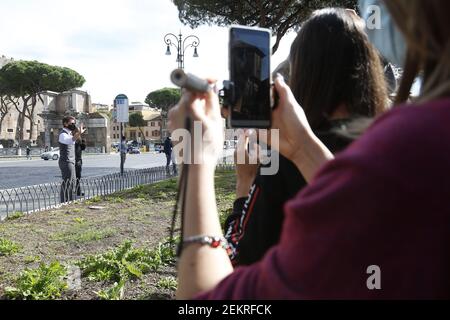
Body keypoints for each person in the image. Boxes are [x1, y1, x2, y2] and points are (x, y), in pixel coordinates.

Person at [169, 0, 450, 299]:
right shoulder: (391, 142)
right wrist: (303, 147)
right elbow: (371, 226)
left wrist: (201, 162)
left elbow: (220, 284)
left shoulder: (406, 147)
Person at [225, 8, 388, 267]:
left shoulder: (288, 160)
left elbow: (238, 259)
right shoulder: (397, 142)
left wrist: (244, 180)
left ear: (304, 71)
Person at [59, 116, 85, 203]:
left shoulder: (69, 134)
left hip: (71, 161)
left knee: (73, 182)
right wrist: (79, 133)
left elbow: (76, 142)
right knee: (68, 182)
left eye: (74, 123)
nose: (73, 125)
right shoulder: (63, 134)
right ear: (65, 124)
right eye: (72, 123)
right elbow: (70, 140)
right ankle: (64, 201)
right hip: (66, 161)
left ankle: (70, 200)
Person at [74, 132, 86, 197]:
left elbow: (83, 147)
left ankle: (78, 191)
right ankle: (75, 191)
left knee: (78, 178)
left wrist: (83, 139)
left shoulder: (79, 142)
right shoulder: (73, 142)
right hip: (75, 161)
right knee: (75, 178)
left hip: (79, 161)